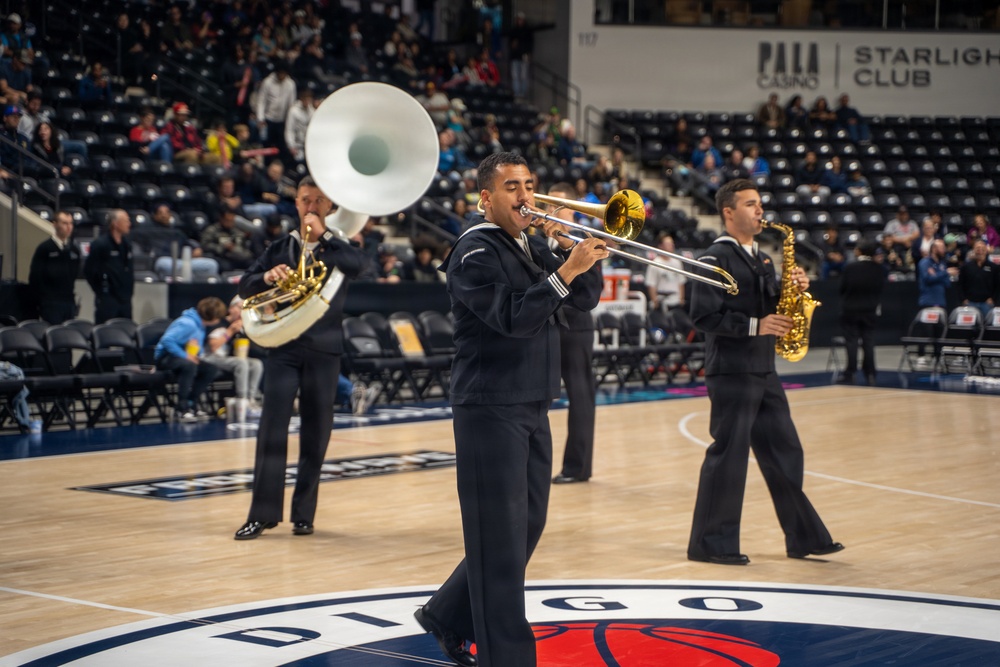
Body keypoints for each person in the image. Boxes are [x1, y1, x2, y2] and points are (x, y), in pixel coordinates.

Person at [415, 153, 606, 667]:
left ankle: (446, 614)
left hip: (530, 400)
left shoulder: (529, 244)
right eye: (511, 187)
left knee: (524, 526)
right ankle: (510, 657)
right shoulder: (474, 251)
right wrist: (564, 268)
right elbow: (513, 318)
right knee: (499, 536)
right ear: (486, 198)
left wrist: (570, 253)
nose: (525, 196)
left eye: (529, 185)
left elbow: (583, 298)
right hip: (489, 405)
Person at [687, 178, 844, 566]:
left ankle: (803, 537)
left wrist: (793, 290)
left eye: (760, 204)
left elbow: (770, 305)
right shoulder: (713, 258)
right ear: (729, 212)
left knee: (786, 452)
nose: (760, 211)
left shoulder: (762, 258)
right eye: (751, 204)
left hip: (763, 368)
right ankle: (711, 544)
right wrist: (755, 325)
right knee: (730, 456)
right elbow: (703, 314)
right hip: (732, 370)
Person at [233, 175, 368, 540]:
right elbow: (245, 284)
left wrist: (323, 234)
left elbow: (359, 267)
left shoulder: (338, 246)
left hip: (325, 351)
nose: (310, 207)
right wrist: (267, 277)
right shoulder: (281, 247)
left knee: (316, 435)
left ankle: (304, 514)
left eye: (318, 201)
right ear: (296, 203)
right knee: (271, 430)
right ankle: (261, 514)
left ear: (329, 207)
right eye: (305, 200)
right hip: (284, 347)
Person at [548, 181, 602, 486]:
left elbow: (592, 292)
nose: (552, 212)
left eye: (559, 206)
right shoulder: (537, 239)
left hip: (575, 326)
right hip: (544, 325)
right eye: (549, 205)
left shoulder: (585, 242)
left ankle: (577, 467)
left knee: (581, 397)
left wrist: (566, 245)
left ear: (572, 210)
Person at [155, 297, 226, 421]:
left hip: (181, 357)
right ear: (213, 317)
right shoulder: (188, 323)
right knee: (190, 365)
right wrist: (185, 355)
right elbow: (167, 340)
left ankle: (191, 403)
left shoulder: (200, 325)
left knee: (210, 369)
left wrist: (194, 353)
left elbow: (192, 345)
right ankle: (181, 408)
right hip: (165, 358)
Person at [838, 240, 886, 385]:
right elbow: (880, 289)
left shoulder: (850, 267)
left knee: (851, 342)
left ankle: (850, 373)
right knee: (869, 342)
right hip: (870, 310)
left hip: (851, 310)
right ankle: (870, 374)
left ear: (859, 251)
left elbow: (843, 288)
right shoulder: (879, 269)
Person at [204, 296, 264, 405]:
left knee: (256, 364)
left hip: (226, 358)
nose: (242, 312)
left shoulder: (240, 326)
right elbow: (213, 346)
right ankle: (242, 398)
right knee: (241, 363)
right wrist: (231, 331)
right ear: (231, 309)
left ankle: (251, 398)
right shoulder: (219, 322)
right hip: (210, 357)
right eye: (240, 308)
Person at [28, 210, 81, 324]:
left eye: (70, 223)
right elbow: (35, 277)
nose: (68, 227)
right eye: (64, 223)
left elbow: (74, 273)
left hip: (69, 301)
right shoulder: (45, 248)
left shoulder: (74, 250)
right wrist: (43, 300)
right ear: (55, 224)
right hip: (50, 303)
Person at [84, 209, 134, 323]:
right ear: (115, 223)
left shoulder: (127, 245)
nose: (129, 224)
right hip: (108, 300)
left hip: (125, 300)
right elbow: (89, 271)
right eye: (126, 221)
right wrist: (101, 291)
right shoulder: (100, 244)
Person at [958, 239, 997, 319]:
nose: (980, 251)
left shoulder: (994, 267)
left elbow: (998, 285)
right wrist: (963, 299)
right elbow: (960, 284)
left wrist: (993, 299)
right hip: (970, 303)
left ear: (986, 250)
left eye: (982, 249)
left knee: (988, 329)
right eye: (978, 248)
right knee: (969, 329)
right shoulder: (966, 267)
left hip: (987, 304)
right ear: (974, 250)